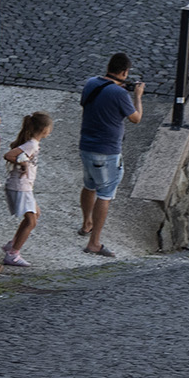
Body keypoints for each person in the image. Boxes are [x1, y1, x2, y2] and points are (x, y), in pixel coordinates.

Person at [77, 52, 142, 258]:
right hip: (106, 152)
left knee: (89, 185)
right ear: (124, 72)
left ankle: (86, 223)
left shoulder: (91, 83)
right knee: (105, 195)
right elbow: (136, 118)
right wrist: (138, 97)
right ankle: (94, 243)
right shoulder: (120, 94)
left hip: (86, 146)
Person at [1, 111, 51, 267]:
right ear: (44, 130)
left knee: (35, 214)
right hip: (20, 186)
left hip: (25, 186)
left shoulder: (32, 144)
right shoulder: (31, 144)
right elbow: (9, 155)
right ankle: (13, 253)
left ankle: (13, 244)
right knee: (31, 221)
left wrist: (23, 162)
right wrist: (22, 163)